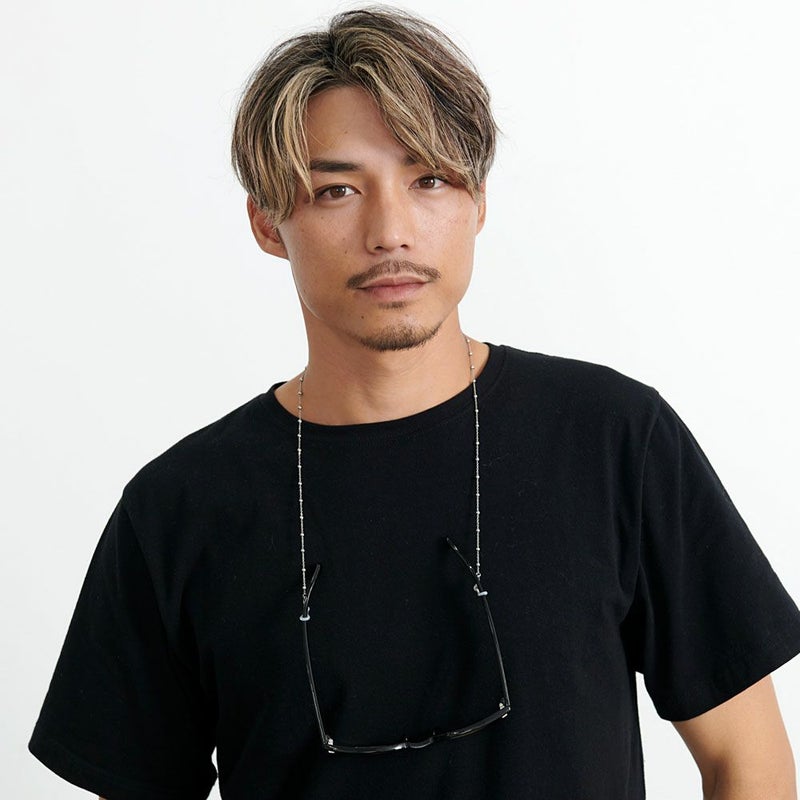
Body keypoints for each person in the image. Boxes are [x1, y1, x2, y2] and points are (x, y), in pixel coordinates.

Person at [29, 7, 800, 799]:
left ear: (479, 202)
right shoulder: (178, 510)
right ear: (267, 221)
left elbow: (748, 763)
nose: (391, 231)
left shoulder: (612, 440)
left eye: (429, 179)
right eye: (336, 190)